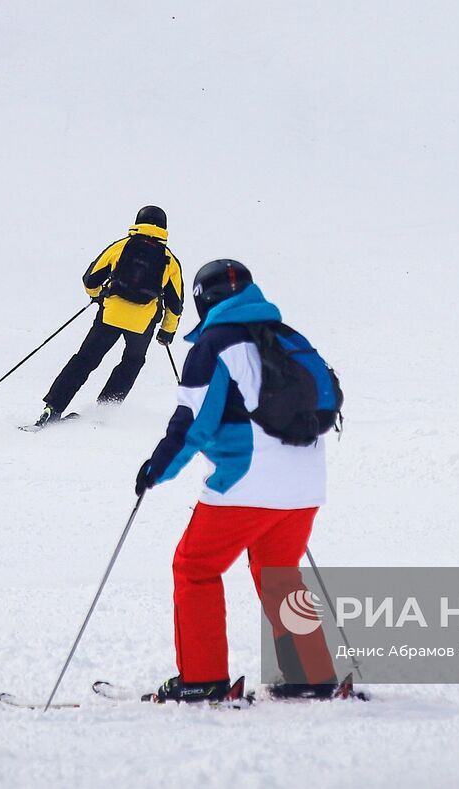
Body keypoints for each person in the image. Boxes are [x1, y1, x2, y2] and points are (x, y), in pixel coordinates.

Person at [134, 259, 339, 703]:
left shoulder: (215, 345)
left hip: (245, 483)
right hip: (306, 483)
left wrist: (157, 470)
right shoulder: (290, 338)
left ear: (202, 300)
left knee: (195, 568)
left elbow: (193, 424)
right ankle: (310, 673)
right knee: (280, 575)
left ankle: (202, 679)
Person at [31, 205, 183, 429]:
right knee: (131, 362)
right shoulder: (170, 260)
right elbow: (175, 303)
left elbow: (90, 279)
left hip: (110, 315)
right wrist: (166, 332)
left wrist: (99, 297)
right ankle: (103, 413)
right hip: (142, 324)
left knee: (85, 359)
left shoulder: (121, 247)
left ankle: (53, 408)